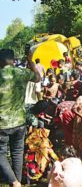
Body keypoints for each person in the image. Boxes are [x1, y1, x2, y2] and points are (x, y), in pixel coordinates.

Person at [0, 48, 41, 187]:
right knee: (17, 153)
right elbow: (38, 78)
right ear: (13, 60)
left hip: (2, 124)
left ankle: (14, 182)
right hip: (19, 122)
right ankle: (16, 182)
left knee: (1, 153)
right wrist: (30, 60)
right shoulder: (22, 73)